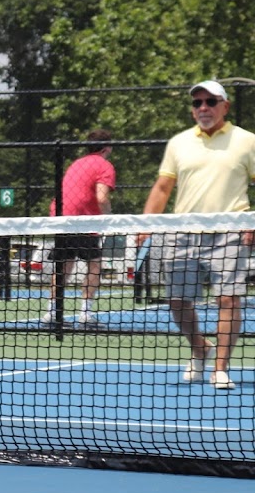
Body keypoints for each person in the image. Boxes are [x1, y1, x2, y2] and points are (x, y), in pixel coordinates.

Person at [140, 80, 255, 390]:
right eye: (197, 103)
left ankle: (220, 368)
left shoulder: (247, 141)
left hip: (230, 232)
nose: (203, 107)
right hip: (182, 233)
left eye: (210, 101)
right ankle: (199, 347)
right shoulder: (178, 143)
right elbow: (163, 187)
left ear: (225, 106)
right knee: (177, 301)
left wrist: (252, 223)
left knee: (229, 299)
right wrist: (146, 224)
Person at [42, 129, 115, 326]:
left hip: (60, 217)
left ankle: (51, 313)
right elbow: (101, 198)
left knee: (63, 266)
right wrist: (110, 215)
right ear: (108, 147)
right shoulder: (105, 165)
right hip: (82, 221)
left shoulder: (77, 163)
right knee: (95, 265)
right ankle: (85, 314)